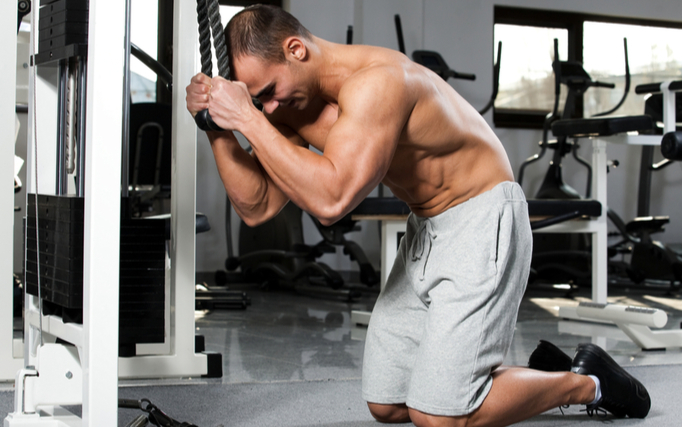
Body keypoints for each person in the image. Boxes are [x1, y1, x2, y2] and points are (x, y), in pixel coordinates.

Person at [185, 5, 650, 426]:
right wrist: (217, 126)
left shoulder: (377, 82)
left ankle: (587, 381)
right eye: (258, 101)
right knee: (388, 404)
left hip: (482, 219)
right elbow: (258, 206)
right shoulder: (290, 104)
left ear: (296, 49)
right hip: (426, 230)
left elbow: (332, 200)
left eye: (267, 93)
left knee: (438, 419)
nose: (267, 107)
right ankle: (531, 378)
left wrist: (247, 119)